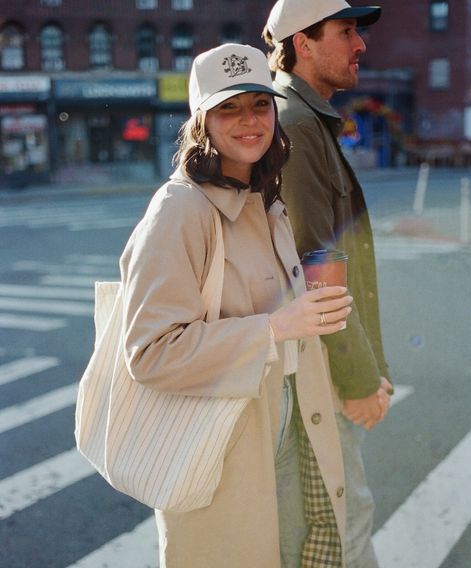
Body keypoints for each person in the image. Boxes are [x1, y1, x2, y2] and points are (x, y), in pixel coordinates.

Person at [119, 43, 353, 568]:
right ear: (201, 120)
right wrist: (272, 328)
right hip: (226, 453)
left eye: (259, 104)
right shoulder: (181, 209)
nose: (249, 121)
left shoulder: (264, 198)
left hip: (286, 431)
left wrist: (309, 310)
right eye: (229, 108)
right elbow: (149, 353)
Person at [263, 1, 393, 567]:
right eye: (346, 32)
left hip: (322, 362)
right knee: (342, 528)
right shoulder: (293, 123)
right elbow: (319, 266)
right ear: (302, 42)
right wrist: (362, 378)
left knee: (332, 527)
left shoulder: (307, 119)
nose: (360, 45)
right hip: (321, 372)